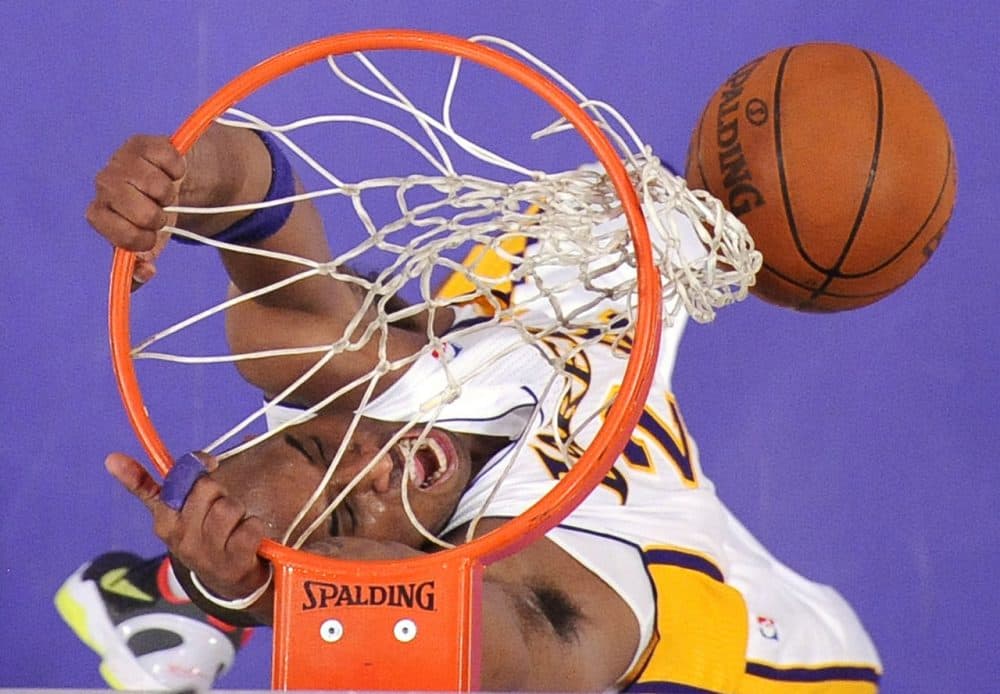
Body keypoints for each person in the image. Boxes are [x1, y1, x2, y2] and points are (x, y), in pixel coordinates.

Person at [59, 123, 883, 692]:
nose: (369, 470)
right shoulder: (567, 577)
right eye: (349, 521)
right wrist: (279, 597)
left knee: (620, 215)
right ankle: (226, 595)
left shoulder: (343, 368)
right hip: (750, 661)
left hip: (576, 374)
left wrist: (181, 175)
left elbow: (257, 195)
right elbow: (506, 638)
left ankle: (189, 592)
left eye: (317, 448)